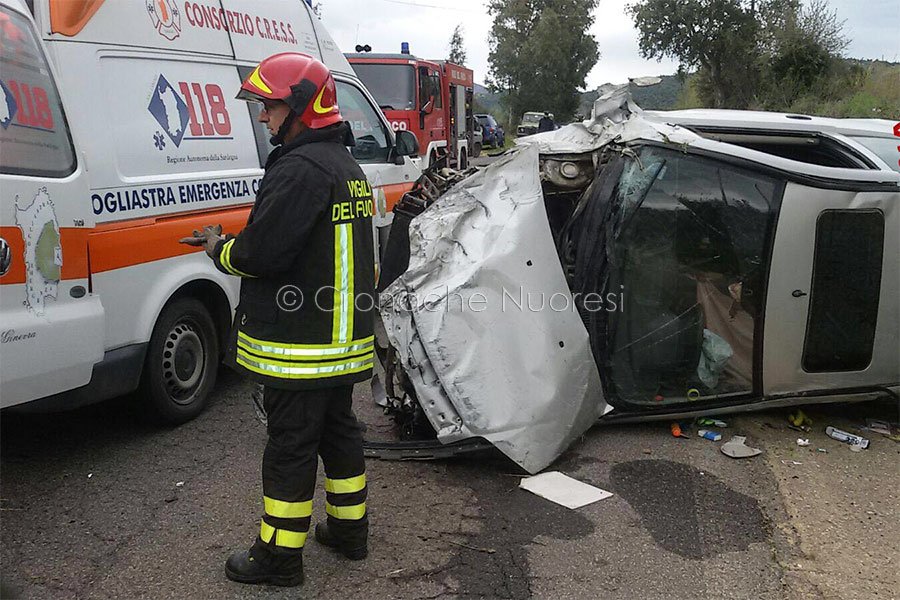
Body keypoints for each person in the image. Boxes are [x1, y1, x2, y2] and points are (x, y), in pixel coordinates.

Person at [180, 52, 375, 588]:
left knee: (290, 445)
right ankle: (349, 531)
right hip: (342, 342)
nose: (264, 118)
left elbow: (261, 255)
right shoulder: (346, 168)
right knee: (339, 434)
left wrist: (220, 249)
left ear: (300, 108)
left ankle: (279, 558)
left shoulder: (298, 170)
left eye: (269, 107)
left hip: (302, 347)